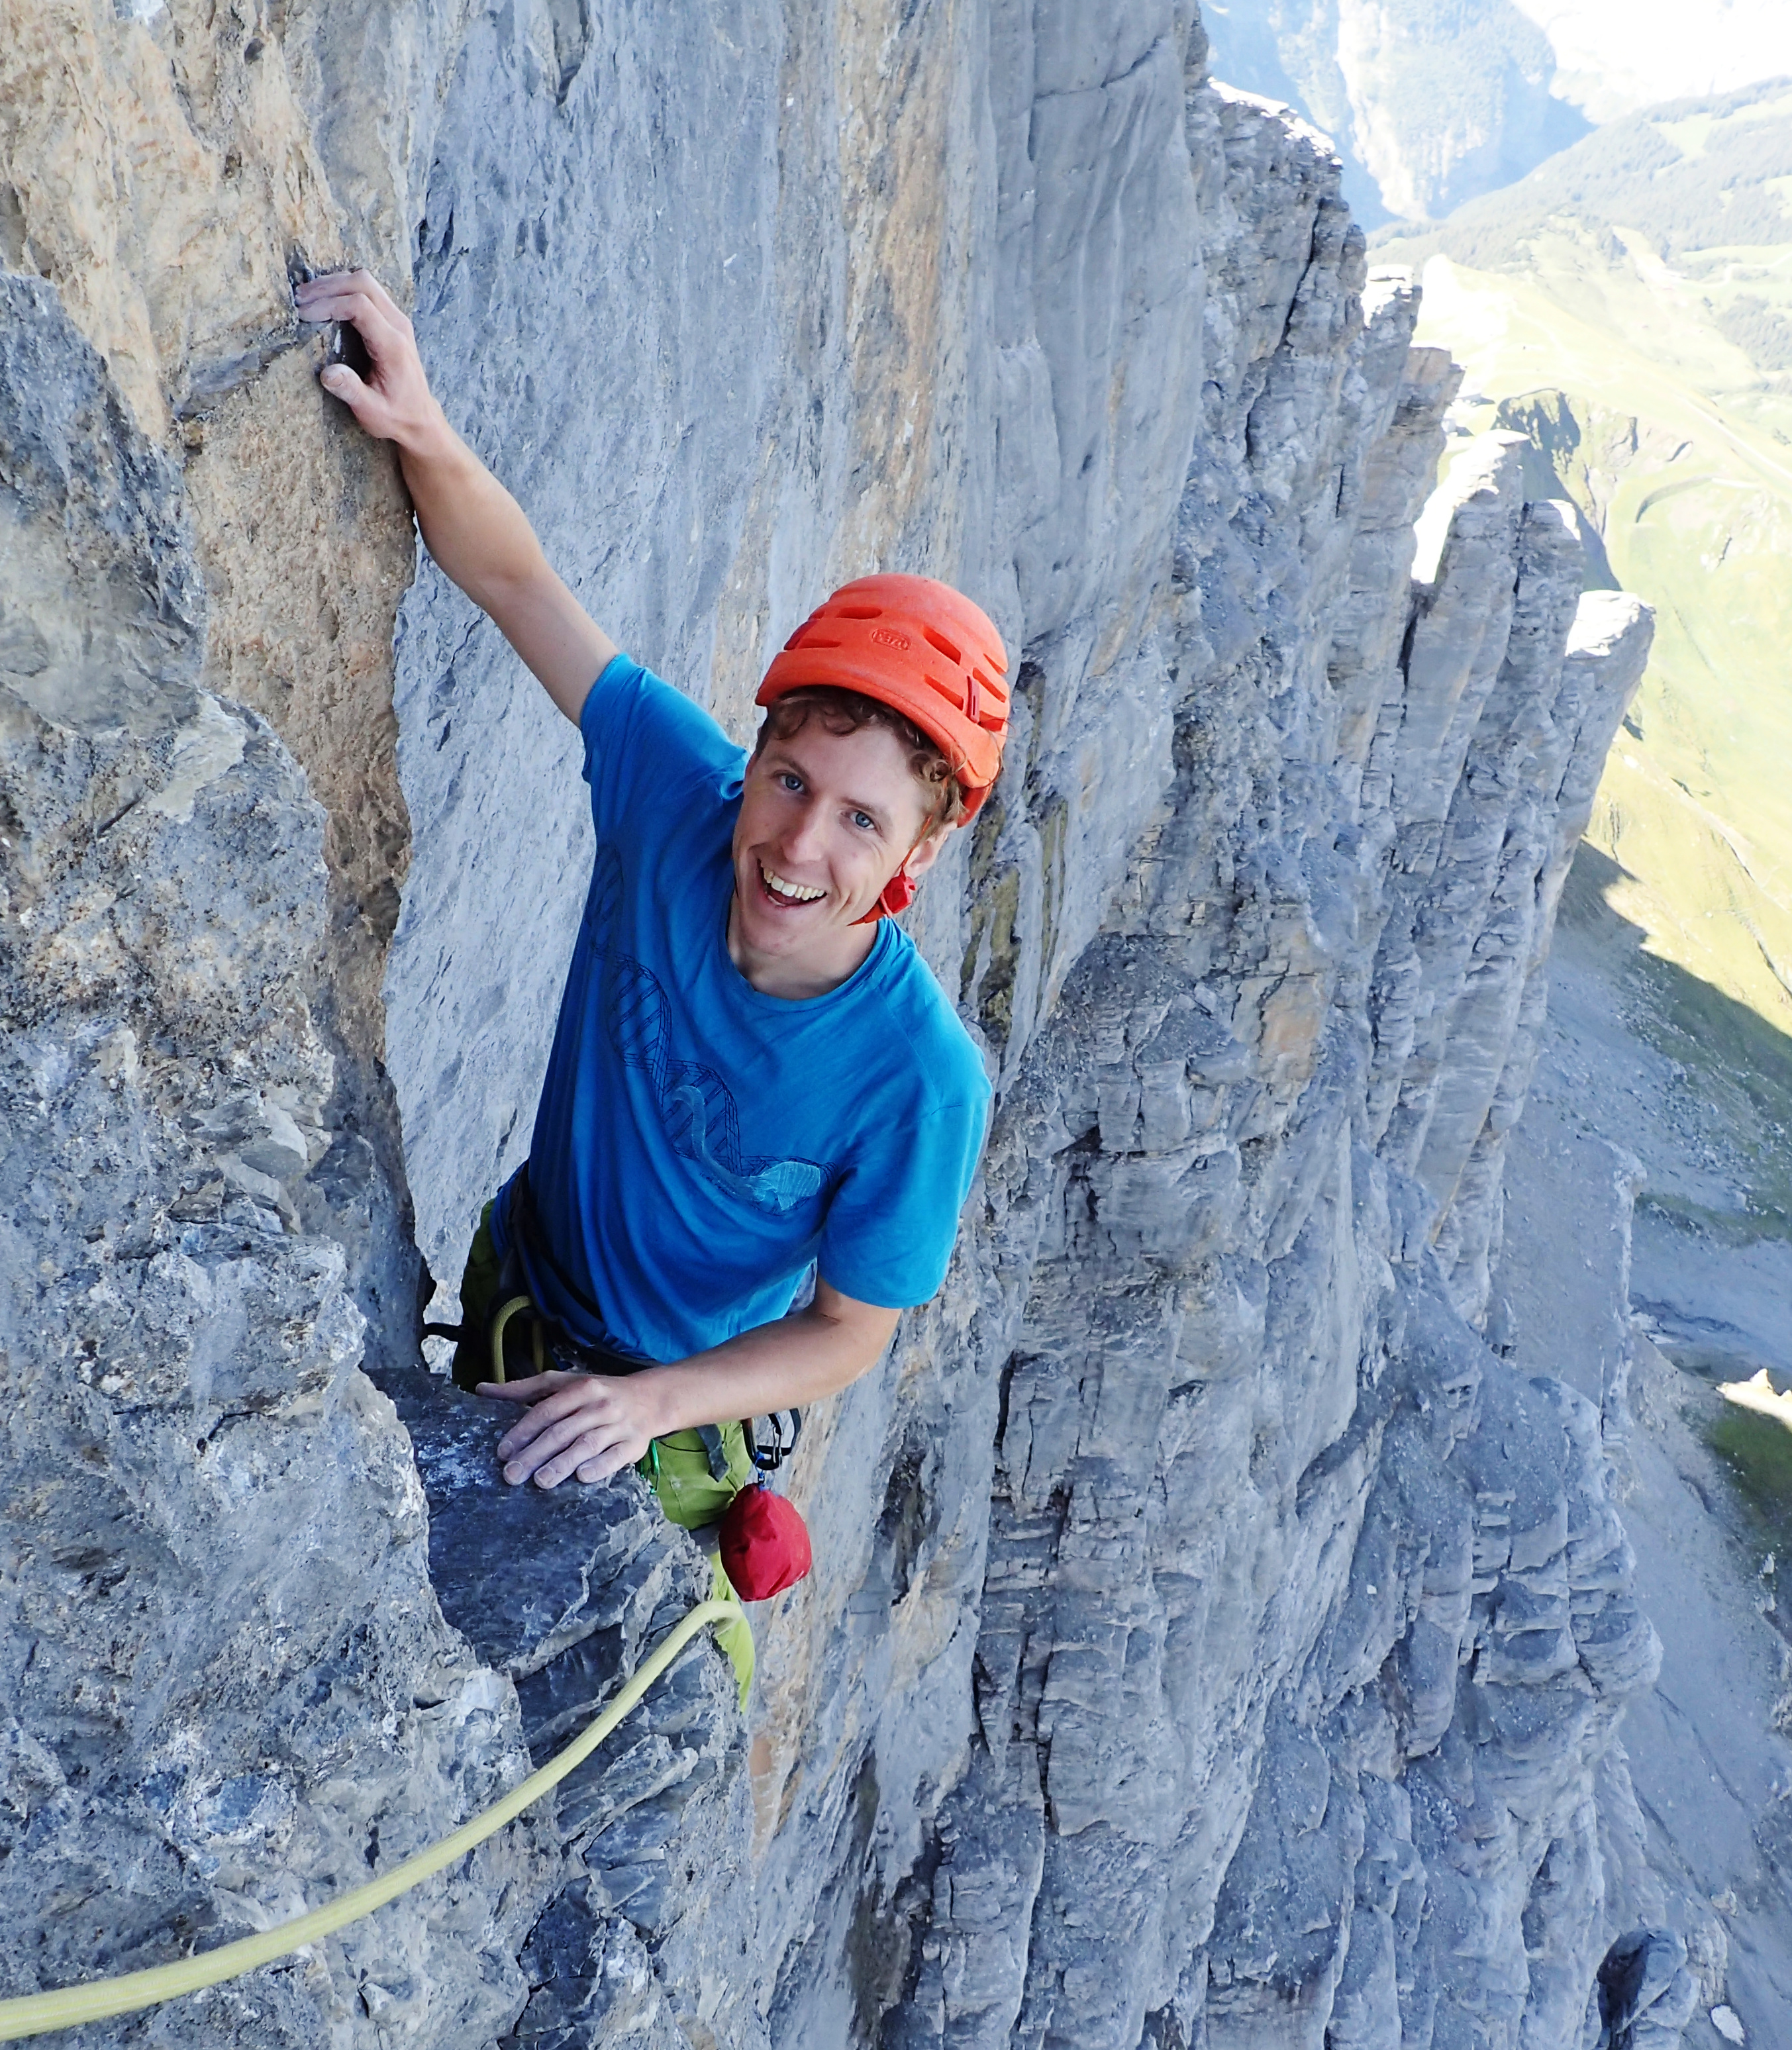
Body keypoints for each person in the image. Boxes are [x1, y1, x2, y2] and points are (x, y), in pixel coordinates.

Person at [295, 273, 1006, 1653]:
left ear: (915, 854)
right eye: (790, 780)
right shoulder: (677, 797)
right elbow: (519, 585)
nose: (800, 844)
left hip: (658, 1398)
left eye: (864, 819)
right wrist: (423, 427)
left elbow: (852, 1330)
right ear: (753, 762)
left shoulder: (919, 1082)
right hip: (524, 1281)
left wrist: (652, 1408)